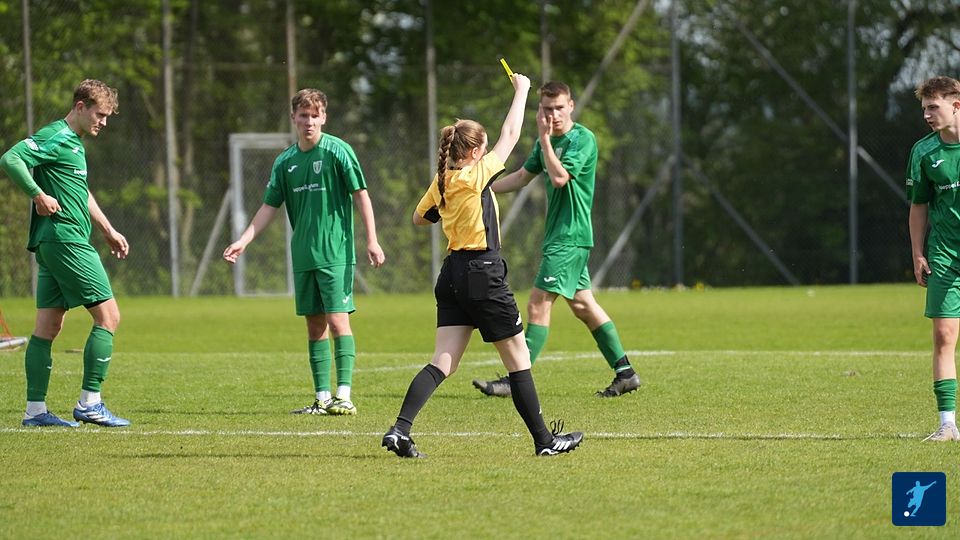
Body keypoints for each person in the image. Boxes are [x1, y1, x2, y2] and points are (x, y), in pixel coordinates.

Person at [381, 72, 583, 458]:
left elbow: (419, 218)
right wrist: (522, 91)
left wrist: (450, 212)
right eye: (484, 148)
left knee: (443, 361)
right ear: (475, 152)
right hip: (482, 272)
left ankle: (400, 430)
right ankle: (545, 442)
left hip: (452, 275)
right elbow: (511, 134)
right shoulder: (476, 175)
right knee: (519, 359)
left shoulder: (443, 180)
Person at [472, 81, 641, 398]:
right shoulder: (544, 142)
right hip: (560, 237)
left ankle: (516, 380)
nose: (553, 114)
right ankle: (626, 373)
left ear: (571, 106)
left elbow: (560, 178)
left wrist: (546, 141)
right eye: (547, 109)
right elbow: (522, 177)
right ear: (540, 109)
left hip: (570, 237)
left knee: (537, 304)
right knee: (583, 305)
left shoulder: (582, 139)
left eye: (559, 108)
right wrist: (481, 187)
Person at [224, 88, 385, 416]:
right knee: (314, 327)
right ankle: (322, 399)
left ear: (324, 117)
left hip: (335, 253)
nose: (309, 121)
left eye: (314, 115)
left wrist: (372, 239)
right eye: (303, 115)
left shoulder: (338, 151)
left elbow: (361, 195)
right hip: (303, 256)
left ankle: (344, 396)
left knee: (338, 321)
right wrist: (243, 240)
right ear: (293, 118)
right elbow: (269, 207)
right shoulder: (285, 162)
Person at [0, 79, 131, 427]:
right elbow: (11, 158)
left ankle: (35, 411)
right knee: (109, 317)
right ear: (80, 107)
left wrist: (108, 230)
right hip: (65, 240)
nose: (104, 122)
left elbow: (81, 192)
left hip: (52, 242)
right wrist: (37, 194)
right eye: (100, 115)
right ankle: (90, 403)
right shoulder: (57, 136)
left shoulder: (75, 144)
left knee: (48, 326)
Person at [909, 75, 960, 442]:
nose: (927, 115)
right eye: (924, 108)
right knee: (943, 336)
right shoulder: (924, 152)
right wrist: (917, 252)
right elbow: (919, 205)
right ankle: (947, 424)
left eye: (933, 107)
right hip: (945, 255)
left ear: (956, 105)